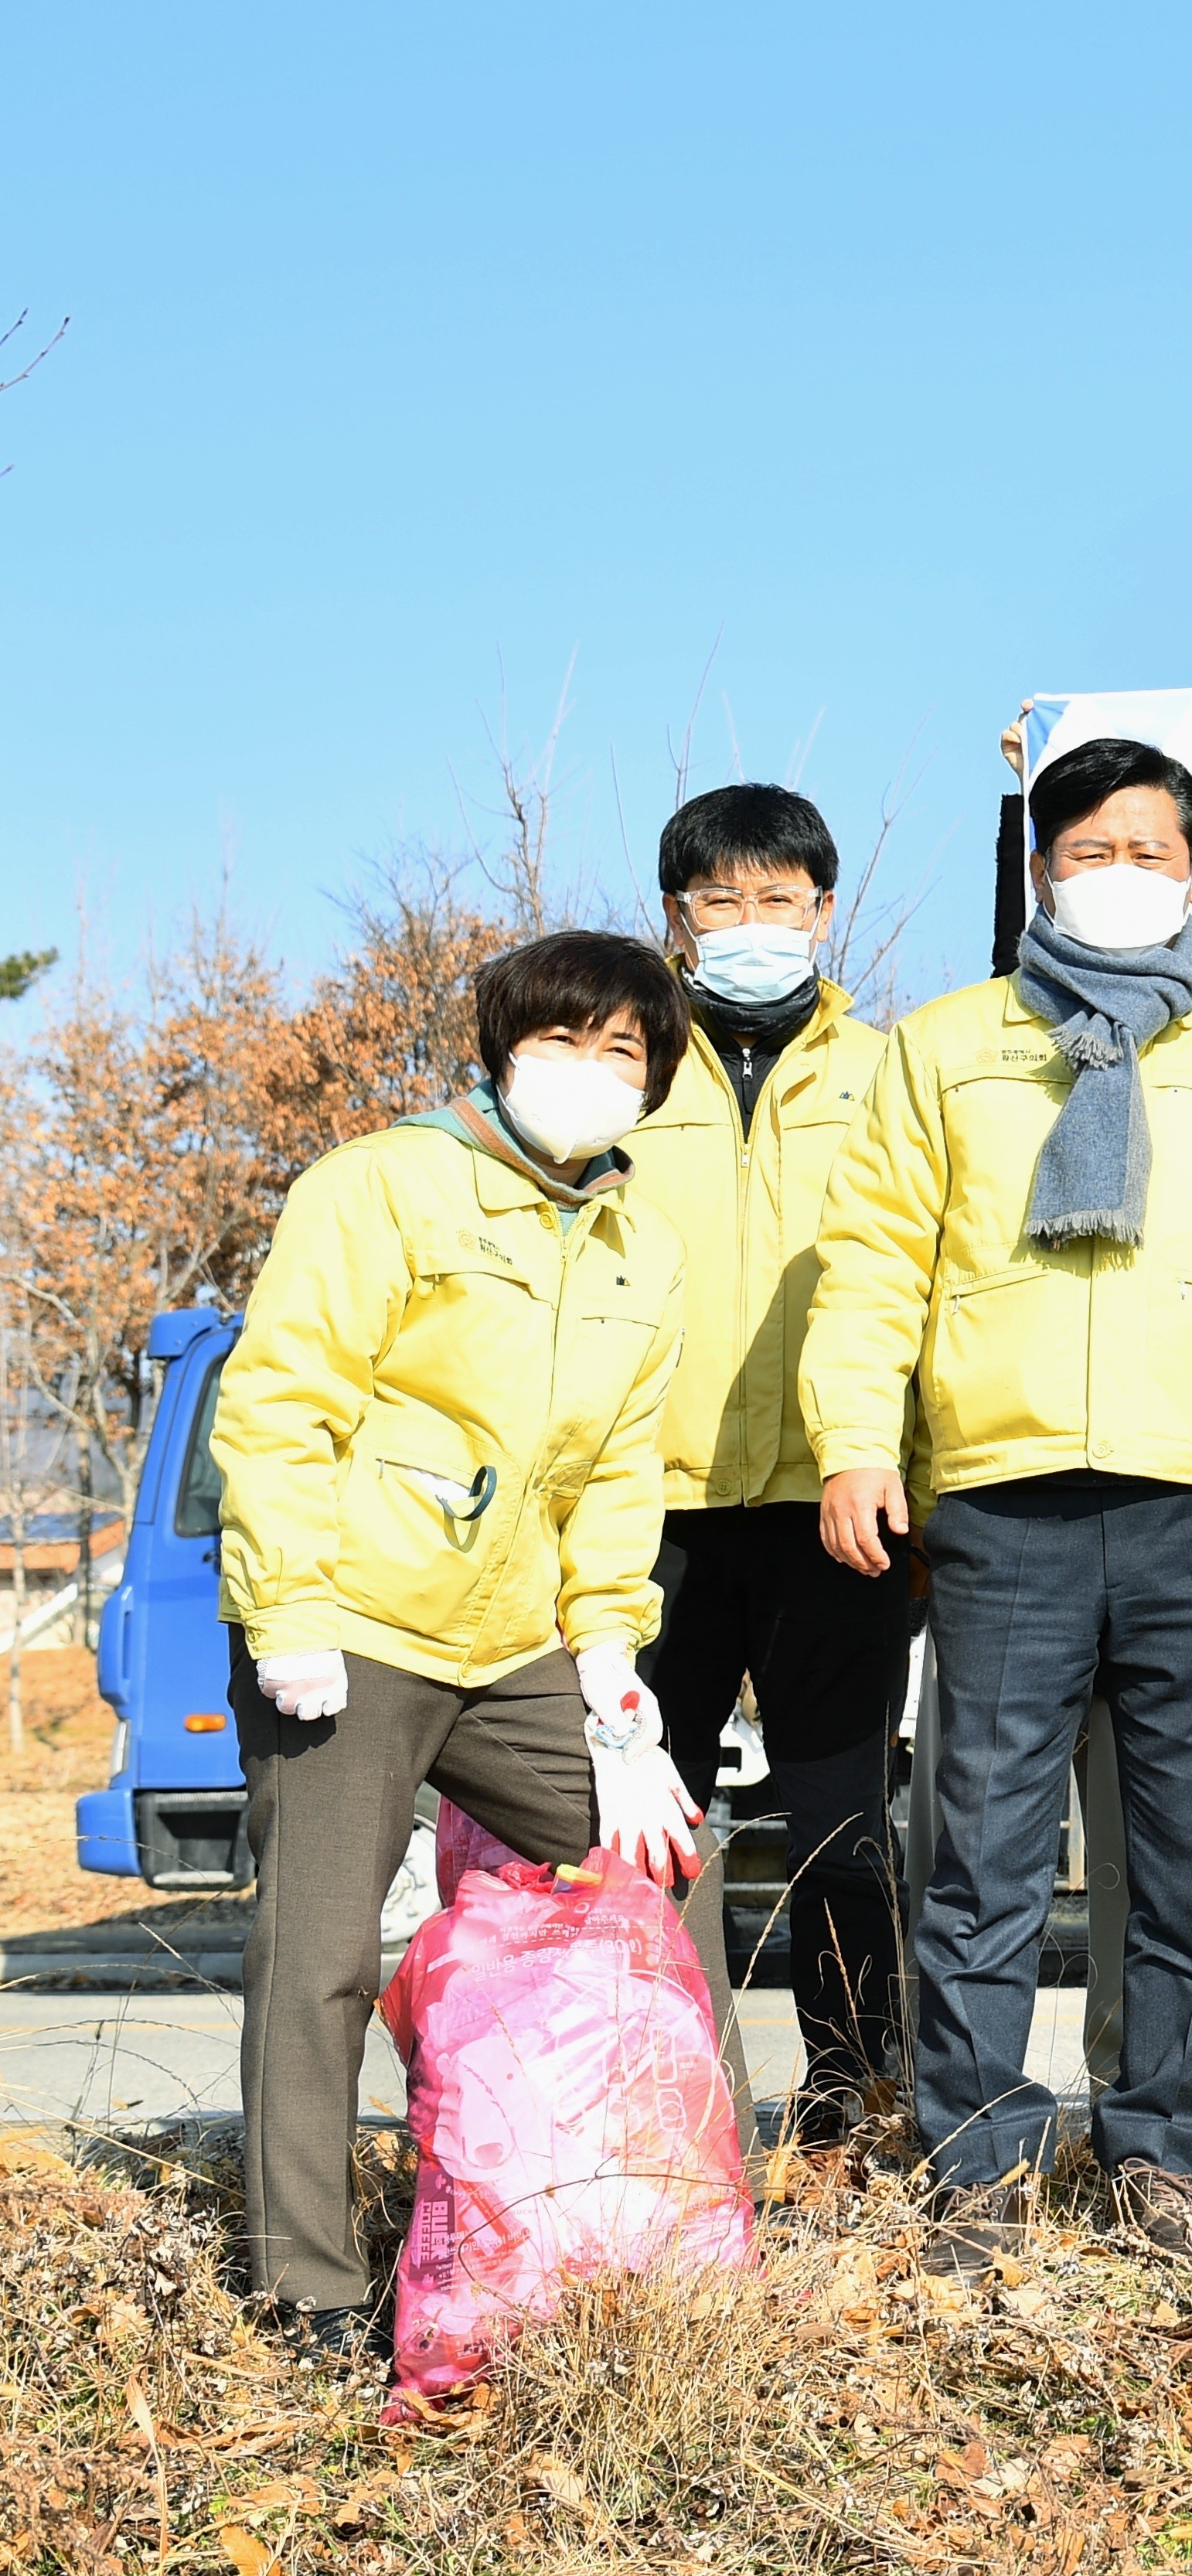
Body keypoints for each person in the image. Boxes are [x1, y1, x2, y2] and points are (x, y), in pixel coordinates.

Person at [807, 737, 1192, 2266]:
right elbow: (872, 1266)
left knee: (1187, 1853)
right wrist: (859, 1441)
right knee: (982, 1845)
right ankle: (976, 2166)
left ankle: (1159, 2155)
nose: (1121, 873)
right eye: (1091, 849)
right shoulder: (949, 1046)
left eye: (1152, 850)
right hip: (1004, 1496)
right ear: (1042, 867)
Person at [212, 932, 731, 2362]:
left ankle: (683, 2216)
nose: (590, 1069)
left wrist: (615, 1664)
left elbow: (619, 1472)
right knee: (314, 1954)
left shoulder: (643, 1245)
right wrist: (289, 1604)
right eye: (563, 1039)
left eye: (624, 1050)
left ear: (657, 1079)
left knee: (667, 1849)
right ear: (500, 1049)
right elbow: (279, 1401)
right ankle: (304, 2282)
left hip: (512, 1644)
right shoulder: (380, 1184)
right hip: (355, 1626)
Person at [621, 784, 908, 2165]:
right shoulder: (624, 1072)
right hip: (646, 1509)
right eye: (719, 900)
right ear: (676, 919)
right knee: (644, 1820)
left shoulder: (889, 1071)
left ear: (822, 908)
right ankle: (666, 2098)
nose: (751, 923)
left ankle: (858, 2092)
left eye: (778, 897)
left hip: (833, 1502)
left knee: (841, 1820)